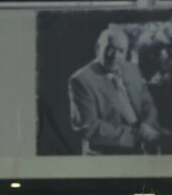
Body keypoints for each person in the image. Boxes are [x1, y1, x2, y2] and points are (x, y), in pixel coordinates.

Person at [68, 27, 162, 156]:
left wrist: (146, 125)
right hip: (106, 154)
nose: (115, 56)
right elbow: (90, 128)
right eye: (109, 48)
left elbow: (148, 103)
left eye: (121, 51)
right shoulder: (81, 80)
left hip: (143, 145)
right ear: (98, 48)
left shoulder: (132, 70)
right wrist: (137, 136)